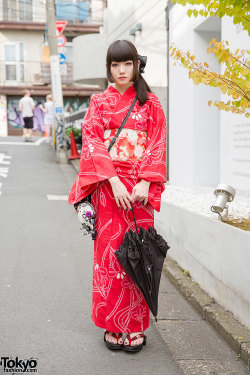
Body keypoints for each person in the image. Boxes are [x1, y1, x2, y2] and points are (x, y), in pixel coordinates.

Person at [68, 40, 167, 353]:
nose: (121, 71)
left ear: (137, 65)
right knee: (110, 259)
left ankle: (135, 326)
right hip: (110, 191)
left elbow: (157, 143)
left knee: (138, 257)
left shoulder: (150, 103)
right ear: (109, 68)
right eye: (115, 65)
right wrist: (113, 180)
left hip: (139, 194)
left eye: (127, 64)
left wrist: (147, 181)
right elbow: (93, 141)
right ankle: (113, 324)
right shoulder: (99, 101)